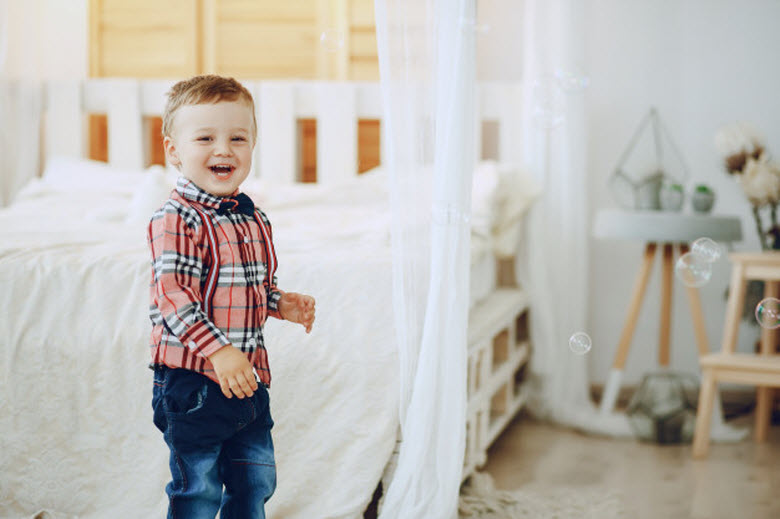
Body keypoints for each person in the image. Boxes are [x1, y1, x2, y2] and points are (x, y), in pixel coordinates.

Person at [147, 74, 316, 519]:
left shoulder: (252, 217)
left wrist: (280, 303)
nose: (224, 149)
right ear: (174, 151)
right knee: (197, 487)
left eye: (237, 138)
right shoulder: (176, 219)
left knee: (255, 478)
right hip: (194, 379)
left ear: (252, 146)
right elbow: (174, 296)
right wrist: (219, 352)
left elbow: (254, 286)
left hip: (247, 376)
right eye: (205, 137)